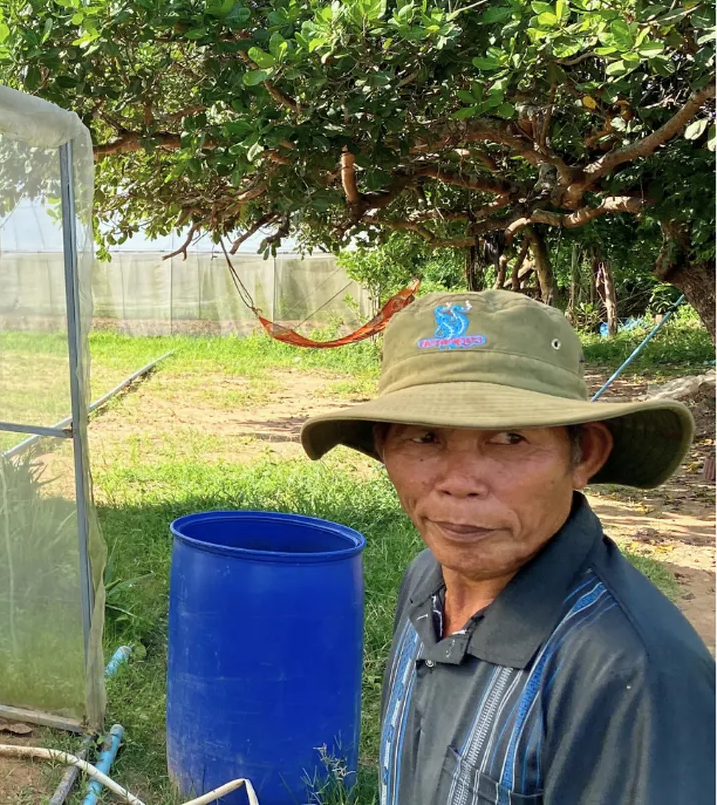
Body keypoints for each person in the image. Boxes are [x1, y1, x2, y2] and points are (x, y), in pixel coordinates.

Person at [300, 289, 714, 804]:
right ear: (383, 447)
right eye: (424, 437)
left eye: (509, 438)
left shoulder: (633, 672)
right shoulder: (427, 579)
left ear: (584, 455)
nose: (459, 482)